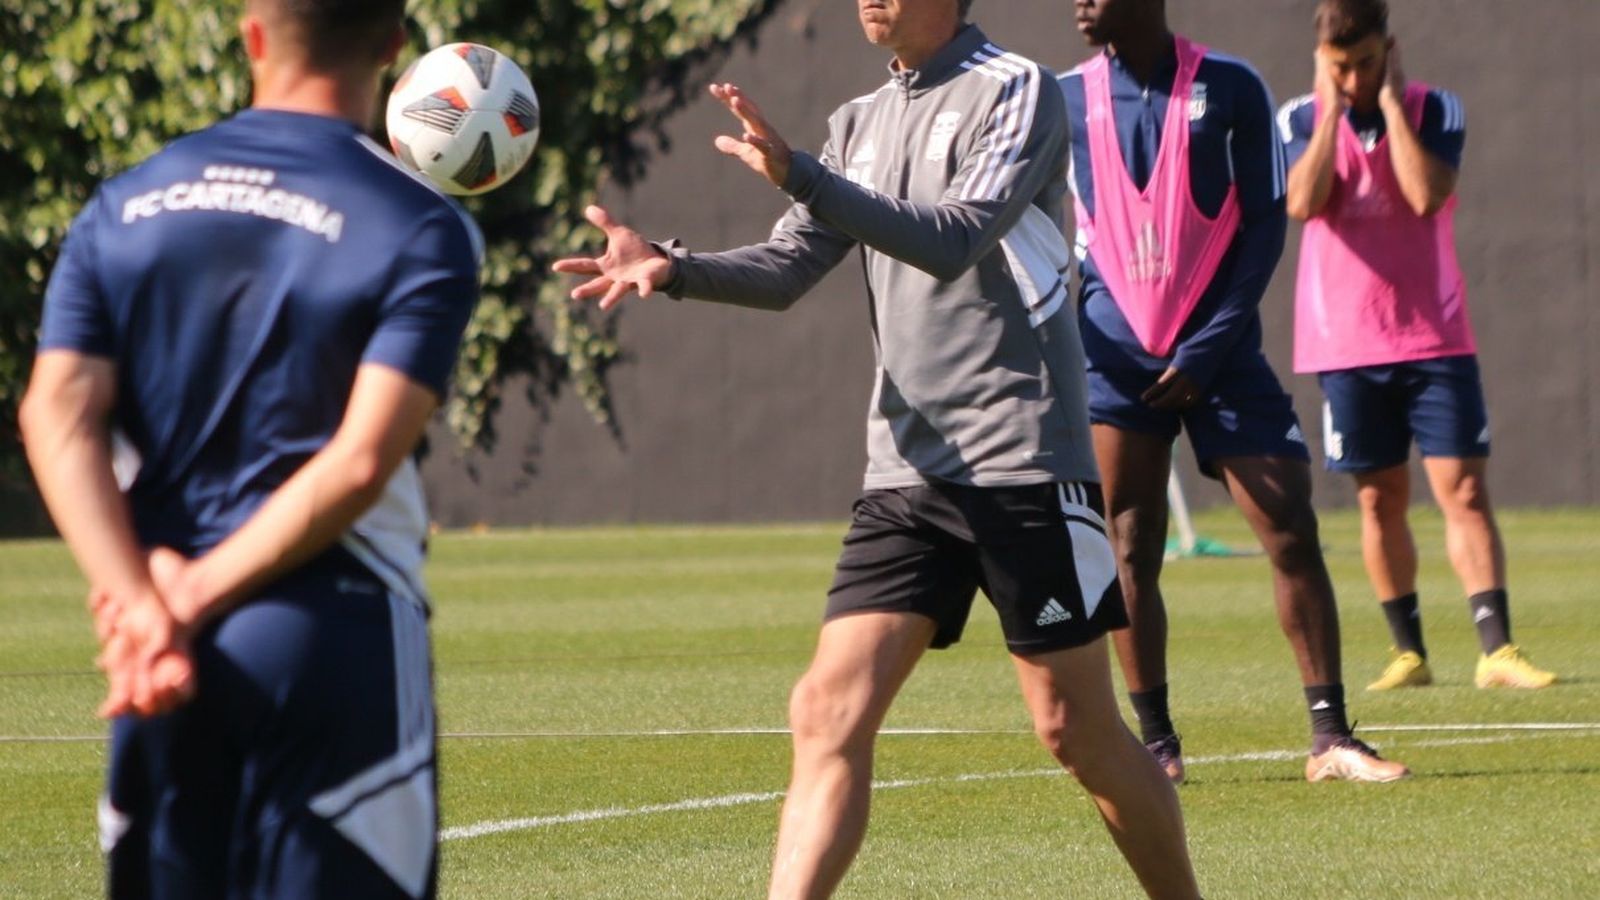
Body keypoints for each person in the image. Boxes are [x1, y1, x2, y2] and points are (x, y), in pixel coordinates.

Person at [555, 2, 1202, 897]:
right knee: (826, 709)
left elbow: (955, 236)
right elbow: (788, 270)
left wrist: (804, 176)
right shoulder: (856, 123)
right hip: (908, 467)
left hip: (1021, 457)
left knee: (1076, 731)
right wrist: (673, 267)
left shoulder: (1015, 91)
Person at [19, 0, 482, 895]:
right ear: (393, 47)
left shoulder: (124, 203)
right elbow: (357, 462)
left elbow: (54, 414)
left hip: (158, 654)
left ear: (251, 33)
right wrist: (193, 597)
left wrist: (143, 606)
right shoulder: (421, 224)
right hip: (327, 636)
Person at [1059, 0, 1409, 784]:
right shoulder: (1061, 98)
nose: (1078, 2)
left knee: (1288, 519)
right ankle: (1158, 749)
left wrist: (1209, 347)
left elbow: (1262, 225)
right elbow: (1035, 223)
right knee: (1129, 543)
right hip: (1113, 361)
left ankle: (1332, 740)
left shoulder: (1230, 86)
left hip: (1220, 356)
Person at [1281, 0, 1555, 691]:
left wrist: (1395, 107)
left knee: (1462, 488)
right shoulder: (1299, 118)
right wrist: (1330, 109)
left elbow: (1426, 195)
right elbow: (1303, 202)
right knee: (1379, 499)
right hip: (1344, 344)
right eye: (1340, 66)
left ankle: (1496, 648)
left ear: (1389, 51)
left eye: (1366, 63)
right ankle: (1409, 651)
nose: (1353, 79)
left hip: (1434, 336)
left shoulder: (1438, 110)